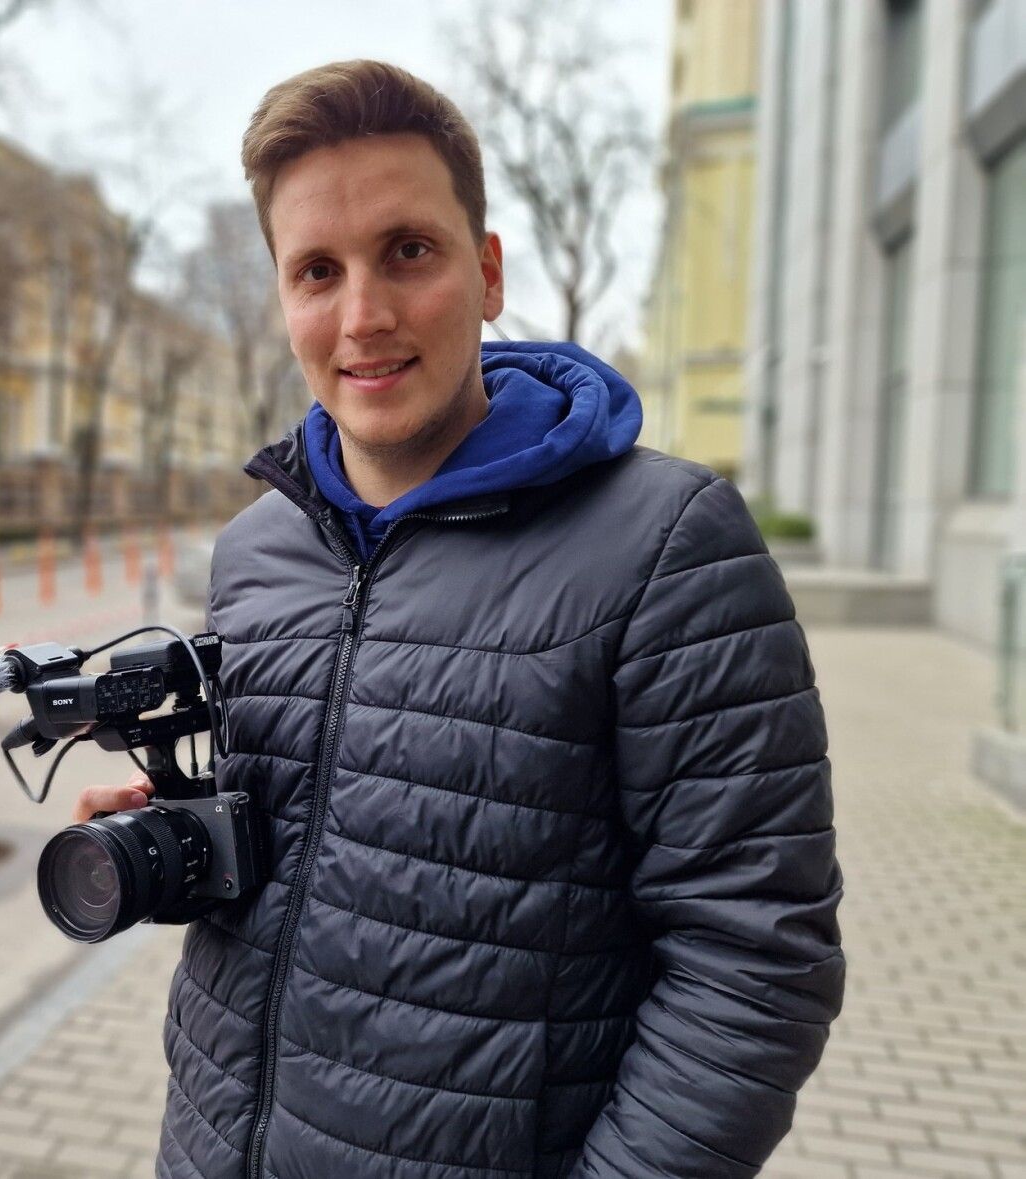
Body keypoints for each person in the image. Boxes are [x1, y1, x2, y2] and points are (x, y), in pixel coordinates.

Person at [74, 59, 844, 1179]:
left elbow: (755, 963)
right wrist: (181, 843)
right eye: (317, 271)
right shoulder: (254, 554)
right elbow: (321, 863)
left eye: (409, 252)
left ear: (487, 273)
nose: (364, 316)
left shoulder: (667, 544)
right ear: (283, 297)